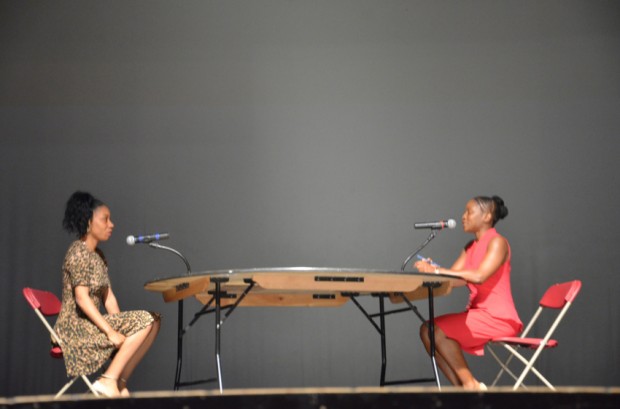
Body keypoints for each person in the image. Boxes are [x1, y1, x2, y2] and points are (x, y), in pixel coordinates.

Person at [53, 191, 161, 398]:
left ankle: (119, 381)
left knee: (154, 320)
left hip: (93, 323)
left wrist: (122, 325)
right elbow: (82, 298)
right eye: (105, 219)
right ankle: (107, 380)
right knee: (145, 320)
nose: (111, 224)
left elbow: (109, 298)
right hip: (76, 327)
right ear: (88, 222)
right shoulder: (78, 252)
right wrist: (111, 332)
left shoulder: (98, 256)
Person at [414, 195, 522, 390]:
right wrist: (433, 269)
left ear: (487, 216)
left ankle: (470, 386)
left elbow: (479, 276)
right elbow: (455, 279)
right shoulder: (470, 247)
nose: (463, 216)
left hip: (499, 319)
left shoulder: (497, 242)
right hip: (478, 314)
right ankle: (462, 390)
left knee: (436, 331)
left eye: (469, 212)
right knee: (426, 330)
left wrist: (437, 271)